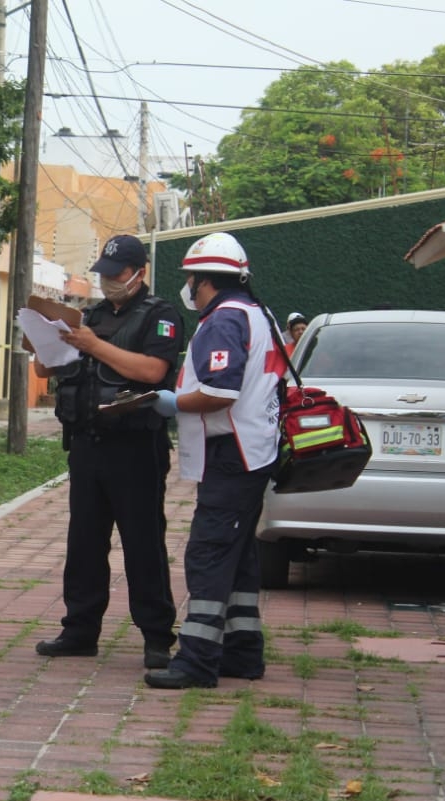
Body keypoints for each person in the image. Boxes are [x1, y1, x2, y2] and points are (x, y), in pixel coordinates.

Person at [30, 234, 182, 670]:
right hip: (88, 442)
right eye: (104, 275)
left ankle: (156, 634)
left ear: (140, 272)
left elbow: (154, 371)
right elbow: (51, 366)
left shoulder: (160, 316)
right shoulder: (88, 315)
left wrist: (95, 345)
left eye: (117, 275)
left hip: (136, 445)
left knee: (142, 542)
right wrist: (44, 342)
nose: (110, 282)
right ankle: (80, 630)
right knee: (84, 542)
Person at [146, 232, 282, 689]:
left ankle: (197, 661)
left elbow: (220, 392)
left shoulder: (223, 321)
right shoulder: (259, 314)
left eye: (190, 279)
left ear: (203, 280)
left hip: (234, 454)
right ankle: (243, 652)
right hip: (254, 451)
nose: (188, 287)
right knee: (238, 557)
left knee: (207, 554)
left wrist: (172, 402)